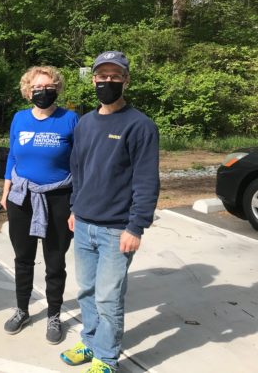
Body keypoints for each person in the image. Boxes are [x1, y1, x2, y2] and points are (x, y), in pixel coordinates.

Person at [60, 51, 160, 373]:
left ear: (126, 80)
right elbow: (78, 170)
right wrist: (75, 208)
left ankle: (106, 357)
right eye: (102, 76)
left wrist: (137, 226)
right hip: (84, 224)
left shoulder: (140, 126)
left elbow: (146, 181)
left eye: (115, 76)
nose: (107, 82)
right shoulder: (85, 123)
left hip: (118, 230)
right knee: (86, 291)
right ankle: (89, 342)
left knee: (108, 297)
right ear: (93, 80)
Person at [0, 65, 79, 344]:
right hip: (21, 198)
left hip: (59, 199)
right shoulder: (19, 119)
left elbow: (79, 164)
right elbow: (13, 156)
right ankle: (22, 309)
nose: (42, 92)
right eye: (36, 88)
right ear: (27, 91)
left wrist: (76, 207)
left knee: (55, 261)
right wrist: (6, 189)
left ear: (56, 88)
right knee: (23, 258)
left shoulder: (70, 119)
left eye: (48, 87)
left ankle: (54, 315)